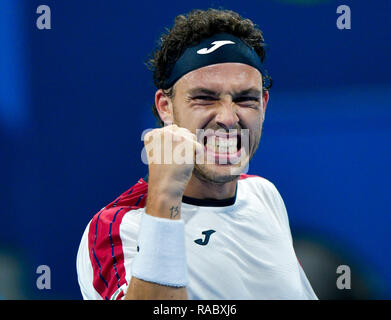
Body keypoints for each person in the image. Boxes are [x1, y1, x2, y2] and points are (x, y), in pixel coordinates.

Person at [76, 8, 317, 300]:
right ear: (165, 107)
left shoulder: (264, 195)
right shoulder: (115, 228)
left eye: (245, 99)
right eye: (204, 98)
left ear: (263, 104)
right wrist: (165, 198)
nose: (228, 118)